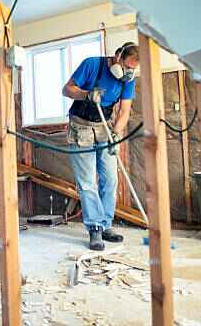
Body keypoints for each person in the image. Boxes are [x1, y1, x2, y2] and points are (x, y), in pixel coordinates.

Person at [62, 42, 140, 250]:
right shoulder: (92, 64)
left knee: (110, 180)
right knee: (87, 182)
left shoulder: (128, 80)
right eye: (126, 67)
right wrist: (85, 94)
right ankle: (94, 228)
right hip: (81, 127)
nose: (128, 72)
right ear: (117, 57)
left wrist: (116, 133)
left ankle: (106, 225)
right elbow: (67, 89)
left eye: (133, 69)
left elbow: (124, 112)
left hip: (105, 128)